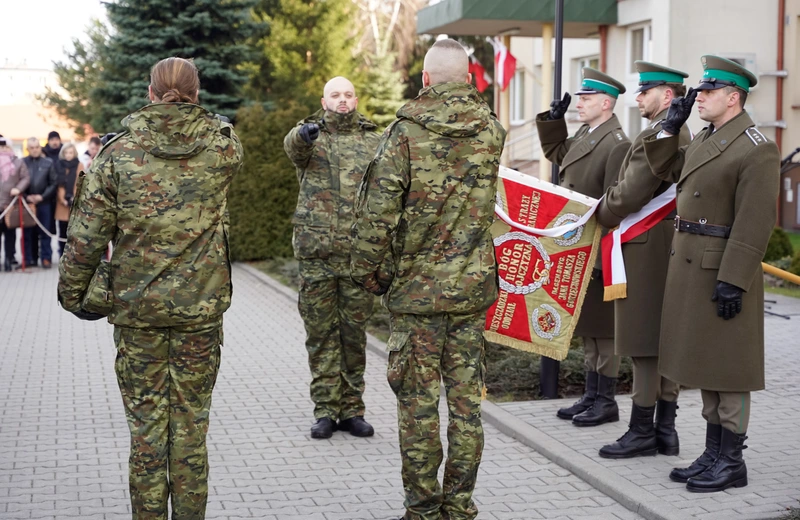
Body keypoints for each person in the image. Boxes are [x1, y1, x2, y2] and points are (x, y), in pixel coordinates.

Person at [58, 56, 243, 518]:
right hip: (199, 316)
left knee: (146, 435)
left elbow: (85, 238)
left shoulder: (116, 156)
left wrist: (72, 295)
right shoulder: (223, 148)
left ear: (149, 92)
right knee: (190, 433)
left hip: (138, 315)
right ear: (197, 93)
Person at [351, 38, 506, 520]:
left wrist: (371, 278)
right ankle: (459, 508)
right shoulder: (492, 130)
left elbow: (377, 218)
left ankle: (421, 510)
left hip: (417, 297)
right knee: (466, 409)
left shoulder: (404, 135)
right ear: (470, 78)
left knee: (417, 408)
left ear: (425, 79)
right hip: (471, 292)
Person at [642, 55, 780, 492]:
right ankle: (712, 453)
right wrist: (668, 128)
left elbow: (756, 219)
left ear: (733, 97)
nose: (698, 97)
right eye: (698, 91)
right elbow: (667, 170)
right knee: (701, 361)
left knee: (729, 367)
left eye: (708, 91)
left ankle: (731, 461)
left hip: (721, 269)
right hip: (691, 266)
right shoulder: (707, 138)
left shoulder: (756, 146)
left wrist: (734, 278)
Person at [595, 62, 692, 459]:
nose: (636, 98)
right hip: (656, 241)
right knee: (658, 340)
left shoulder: (666, 133)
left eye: (644, 91)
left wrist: (602, 211)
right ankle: (664, 430)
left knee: (645, 342)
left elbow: (632, 192)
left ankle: (642, 432)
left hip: (647, 244)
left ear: (667, 96)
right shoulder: (668, 130)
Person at [284, 76, 381, 440]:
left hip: (357, 257)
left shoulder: (373, 140)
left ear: (356, 99)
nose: (342, 101)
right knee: (321, 335)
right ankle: (325, 410)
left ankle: (352, 409)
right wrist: (303, 135)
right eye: (335, 95)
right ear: (323, 101)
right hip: (318, 256)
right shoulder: (309, 136)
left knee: (353, 337)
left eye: (348, 95)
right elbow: (294, 148)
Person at [536, 68, 631, 427]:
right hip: (580, 245)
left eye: (587, 99)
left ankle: (605, 400)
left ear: (606, 103)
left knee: (603, 329)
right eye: (580, 98)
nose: (580, 103)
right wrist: (553, 121)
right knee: (589, 326)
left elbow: (615, 202)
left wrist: (600, 249)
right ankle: (591, 394)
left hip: (599, 247)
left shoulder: (617, 142)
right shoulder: (587, 133)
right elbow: (557, 152)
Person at [22, 138, 57, 268]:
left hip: (44, 203)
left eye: (37, 147)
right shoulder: (22, 163)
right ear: (28, 149)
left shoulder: (48, 162)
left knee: (45, 231)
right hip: (27, 204)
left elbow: (53, 183)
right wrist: (27, 197)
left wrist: (42, 197)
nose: (35, 149)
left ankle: (46, 258)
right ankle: (30, 259)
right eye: (32, 147)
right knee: (28, 233)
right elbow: (19, 182)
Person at [0, 135, 29, 272]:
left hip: (10, 204)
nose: (3, 148)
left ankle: (8, 260)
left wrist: (18, 188)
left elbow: (25, 177)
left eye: (5, 146)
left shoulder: (18, 162)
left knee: (10, 235)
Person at [54, 143, 83, 257]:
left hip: (74, 203)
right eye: (66, 152)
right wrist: (62, 199)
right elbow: (58, 185)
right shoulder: (59, 165)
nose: (68, 155)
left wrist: (73, 198)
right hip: (61, 204)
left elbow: (80, 182)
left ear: (74, 153)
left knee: (74, 232)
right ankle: (62, 254)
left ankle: (73, 256)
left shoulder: (79, 165)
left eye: (70, 152)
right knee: (62, 231)